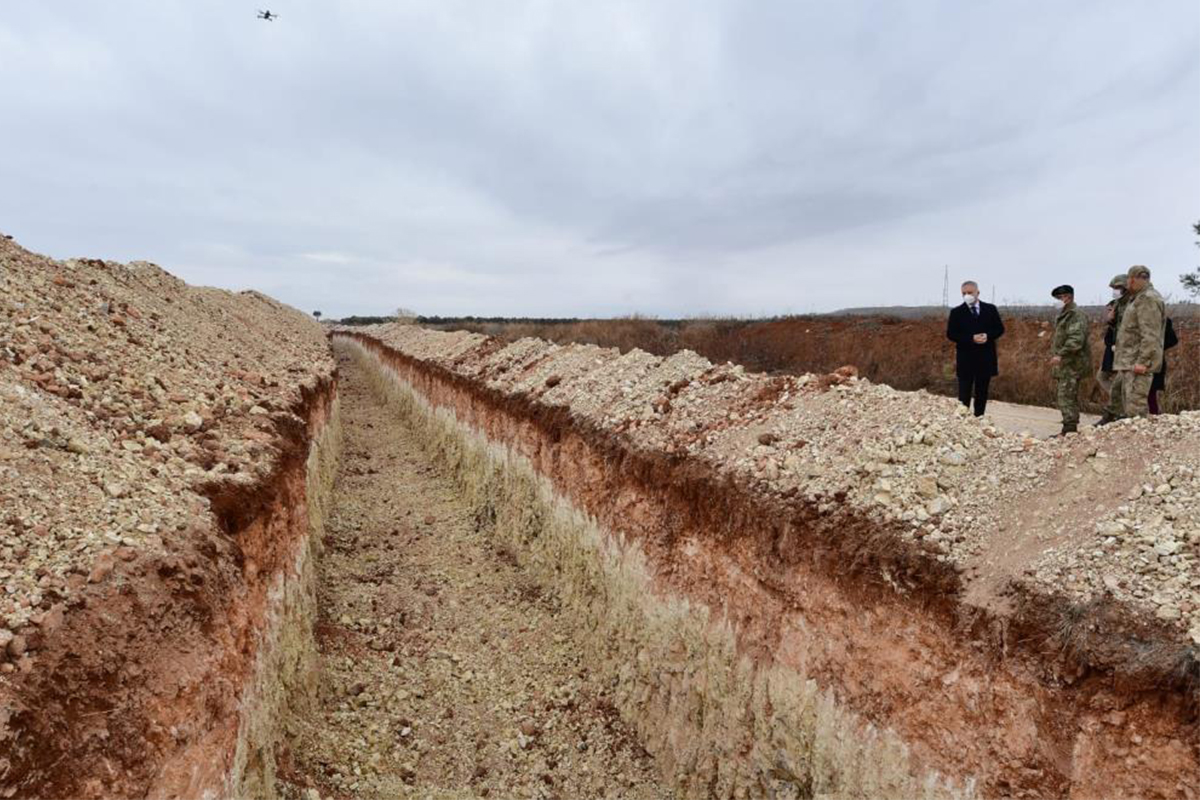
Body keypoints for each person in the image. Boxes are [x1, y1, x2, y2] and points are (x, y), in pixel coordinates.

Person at [1112, 265, 1166, 419]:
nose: (1127, 283)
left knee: (1136, 412)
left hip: (1137, 364)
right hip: (1130, 362)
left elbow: (1150, 334)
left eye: (1129, 279)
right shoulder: (1138, 298)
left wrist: (1143, 361)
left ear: (1134, 279)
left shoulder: (1147, 299)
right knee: (1129, 409)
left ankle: (1142, 442)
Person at [946, 280, 1005, 416]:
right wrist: (971, 338)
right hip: (966, 358)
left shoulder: (990, 309)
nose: (967, 295)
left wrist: (987, 336)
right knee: (964, 394)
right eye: (964, 293)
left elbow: (999, 329)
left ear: (977, 292)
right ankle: (963, 422)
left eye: (970, 292)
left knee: (982, 393)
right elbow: (951, 334)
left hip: (986, 358)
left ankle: (979, 419)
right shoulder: (957, 312)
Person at [1048, 285, 1090, 435]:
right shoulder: (1065, 314)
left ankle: (1070, 429)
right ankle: (1068, 426)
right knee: (1065, 395)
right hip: (1066, 365)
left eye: (1059, 298)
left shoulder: (1075, 315)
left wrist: (1061, 354)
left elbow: (1076, 340)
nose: (1057, 301)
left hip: (1072, 364)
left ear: (1068, 297)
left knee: (1066, 396)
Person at [1095, 273, 1131, 425]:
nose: (1115, 290)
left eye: (1117, 287)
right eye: (1113, 288)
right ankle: (1117, 409)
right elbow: (1115, 328)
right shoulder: (1118, 304)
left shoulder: (1131, 304)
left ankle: (1119, 410)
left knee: (1120, 383)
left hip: (1126, 350)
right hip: (1114, 349)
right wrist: (1110, 320)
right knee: (1104, 377)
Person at [1148, 317, 1179, 414]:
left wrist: (1157, 347)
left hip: (1155, 360)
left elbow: (1173, 340)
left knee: (1151, 391)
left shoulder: (1163, 320)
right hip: (1145, 359)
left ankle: (1154, 415)